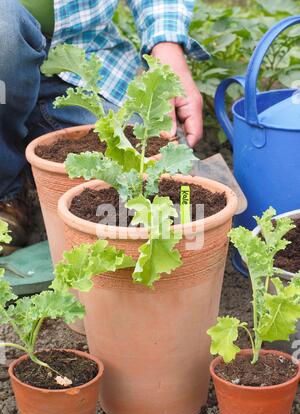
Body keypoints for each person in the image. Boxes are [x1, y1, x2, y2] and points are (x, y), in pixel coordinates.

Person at [0, 0, 208, 252]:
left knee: (145, 161)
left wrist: (166, 48)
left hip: (80, 64)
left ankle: (30, 159)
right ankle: (6, 195)